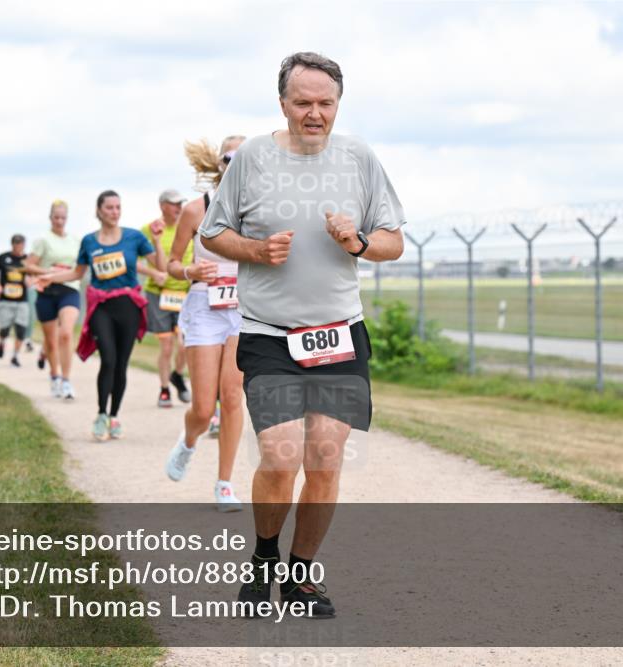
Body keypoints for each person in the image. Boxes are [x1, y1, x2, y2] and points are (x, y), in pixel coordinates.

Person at [198, 52, 406, 617]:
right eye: (302, 103)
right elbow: (214, 234)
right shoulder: (252, 160)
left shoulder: (360, 157)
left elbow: (393, 241)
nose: (314, 114)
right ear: (282, 103)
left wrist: (358, 242)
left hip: (340, 333)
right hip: (270, 333)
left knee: (325, 459)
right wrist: (255, 251)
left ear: (338, 103)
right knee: (282, 454)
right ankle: (263, 562)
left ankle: (299, 577)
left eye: (325, 103)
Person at [36, 190, 165, 441]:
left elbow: (160, 267)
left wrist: (158, 241)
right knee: (108, 359)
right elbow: (76, 274)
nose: (115, 212)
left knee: (121, 364)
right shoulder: (89, 242)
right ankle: (101, 414)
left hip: (128, 306)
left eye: (118, 207)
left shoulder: (134, 237)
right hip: (101, 308)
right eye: (109, 208)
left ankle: (114, 415)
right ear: (98, 211)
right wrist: (48, 277)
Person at [163, 135, 247, 512]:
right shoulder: (196, 210)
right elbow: (172, 264)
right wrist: (190, 270)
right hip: (204, 305)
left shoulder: (259, 210)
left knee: (231, 397)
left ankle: (225, 483)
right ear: (220, 162)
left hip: (243, 309)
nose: (237, 163)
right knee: (201, 408)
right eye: (231, 156)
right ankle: (189, 442)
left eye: (245, 157)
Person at [141, 189, 193, 407]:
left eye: (181, 203)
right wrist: (153, 273)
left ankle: (177, 374)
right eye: (174, 204)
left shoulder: (189, 224)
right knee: (166, 346)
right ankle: (164, 389)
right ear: (162, 205)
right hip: (158, 294)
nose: (179, 207)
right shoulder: (148, 229)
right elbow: (133, 260)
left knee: (184, 344)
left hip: (184, 292)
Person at [26, 200, 82, 399]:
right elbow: (29, 265)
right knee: (51, 341)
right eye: (56, 217)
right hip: (47, 292)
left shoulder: (75, 240)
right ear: (50, 218)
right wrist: (48, 271)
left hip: (69, 289)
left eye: (63, 218)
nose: (59, 221)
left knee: (66, 333)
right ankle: (54, 376)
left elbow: (80, 267)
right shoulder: (43, 239)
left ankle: (66, 381)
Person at [0, 234, 31, 367]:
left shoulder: (28, 260)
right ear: (12, 244)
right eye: (16, 244)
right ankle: (2, 342)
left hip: (22, 300)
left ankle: (15, 356)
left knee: (21, 330)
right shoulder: (3, 258)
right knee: (5, 329)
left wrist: (29, 281)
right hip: (5, 300)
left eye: (21, 244)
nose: (19, 247)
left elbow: (33, 276)